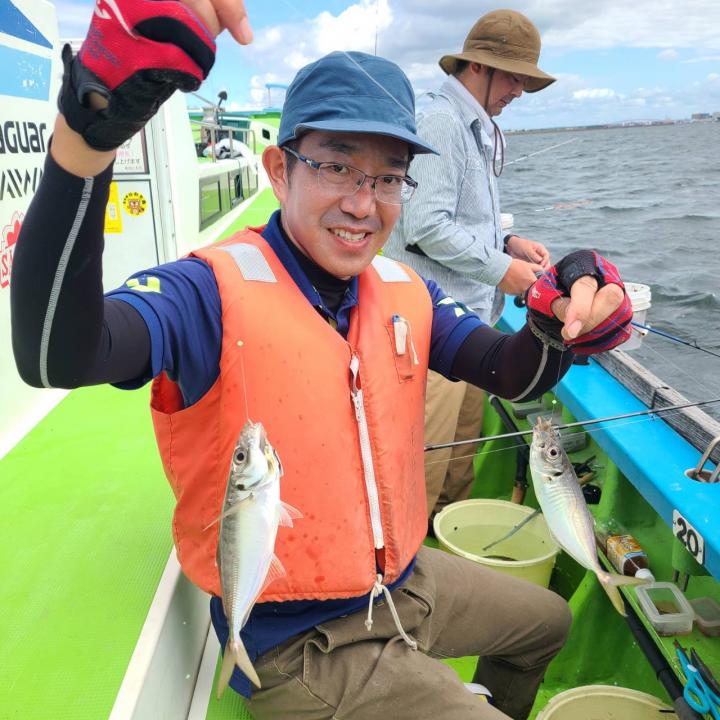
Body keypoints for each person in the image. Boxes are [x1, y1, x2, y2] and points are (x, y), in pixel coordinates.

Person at [10, 1, 632, 718]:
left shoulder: (405, 289)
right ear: (279, 170)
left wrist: (559, 315)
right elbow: (57, 353)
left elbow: (509, 370)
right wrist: (87, 142)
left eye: (389, 178)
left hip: (396, 582)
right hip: (293, 640)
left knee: (547, 622)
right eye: (337, 167)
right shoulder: (205, 292)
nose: (364, 204)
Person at [384, 9, 557, 524]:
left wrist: (509, 242)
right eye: (513, 77)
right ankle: (411, 554)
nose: (519, 91)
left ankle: (447, 539)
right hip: (432, 331)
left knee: (460, 455)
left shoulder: (475, 126)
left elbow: (460, 215)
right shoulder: (441, 121)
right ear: (477, 66)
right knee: (427, 460)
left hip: (472, 324)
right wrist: (502, 269)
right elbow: (424, 225)